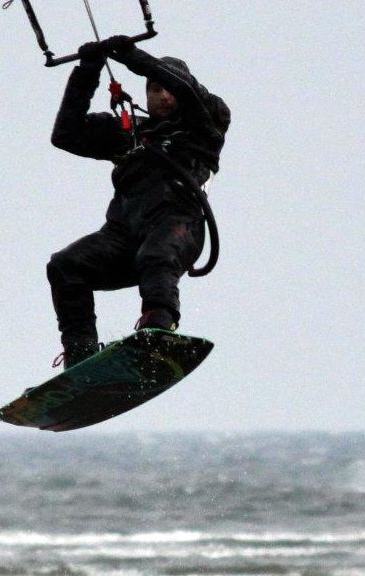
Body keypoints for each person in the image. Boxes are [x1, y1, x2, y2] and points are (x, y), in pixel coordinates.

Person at [46, 36, 230, 369]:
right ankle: (81, 354)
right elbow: (66, 135)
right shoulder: (132, 133)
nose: (163, 96)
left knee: (156, 254)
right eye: (155, 89)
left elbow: (188, 91)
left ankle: (159, 327)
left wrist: (133, 57)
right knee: (65, 266)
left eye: (168, 88)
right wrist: (87, 72)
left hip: (177, 227)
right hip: (123, 236)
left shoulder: (206, 123)